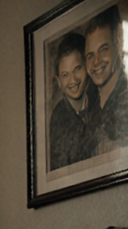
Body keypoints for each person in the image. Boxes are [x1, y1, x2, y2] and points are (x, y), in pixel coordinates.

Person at [84, 5, 128, 153]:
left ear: (117, 43)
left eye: (103, 49)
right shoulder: (90, 109)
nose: (96, 62)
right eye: (90, 55)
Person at [48, 31, 94, 171]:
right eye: (65, 75)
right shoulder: (58, 120)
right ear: (59, 82)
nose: (73, 80)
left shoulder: (96, 100)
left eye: (77, 69)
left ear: (87, 67)